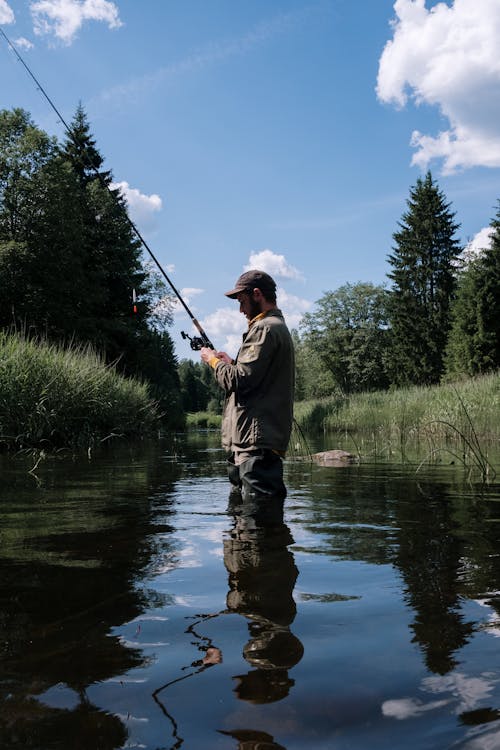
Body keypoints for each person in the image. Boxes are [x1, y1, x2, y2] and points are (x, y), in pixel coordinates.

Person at [200, 269, 294, 500]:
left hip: (256, 445)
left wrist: (212, 361)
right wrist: (231, 362)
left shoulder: (265, 328)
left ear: (257, 294)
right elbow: (255, 377)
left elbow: (236, 380)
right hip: (252, 443)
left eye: (242, 301)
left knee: (258, 522)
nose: (241, 310)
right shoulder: (273, 327)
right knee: (246, 524)